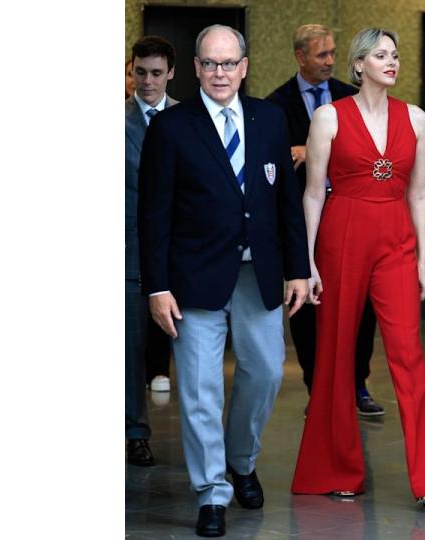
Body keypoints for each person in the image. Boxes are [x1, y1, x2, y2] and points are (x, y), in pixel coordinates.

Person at [139, 24, 309, 537]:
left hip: (260, 274)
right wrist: (157, 286)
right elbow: (154, 215)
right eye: (209, 64)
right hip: (193, 280)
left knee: (265, 373)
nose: (219, 73)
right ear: (195, 69)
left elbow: (286, 204)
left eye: (228, 63)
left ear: (244, 66)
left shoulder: (270, 120)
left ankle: (241, 459)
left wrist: (299, 267)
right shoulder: (172, 128)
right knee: (198, 390)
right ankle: (212, 491)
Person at [290, 28, 425, 506]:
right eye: (380, 55)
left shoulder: (416, 118)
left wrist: (423, 260)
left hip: (396, 241)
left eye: (394, 55)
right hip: (341, 237)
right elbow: (312, 194)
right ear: (358, 64)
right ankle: (338, 470)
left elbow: (419, 192)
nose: (391, 62)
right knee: (334, 354)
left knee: (408, 353)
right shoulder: (328, 118)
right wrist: (308, 263)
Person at [265, 24, 384, 418]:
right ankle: (319, 388)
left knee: (363, 304)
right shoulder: (275, 105)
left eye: (333, 53)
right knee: (308, 306)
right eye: (321, 55)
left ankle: (357, 384)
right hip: (304, 220)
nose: (331, 61)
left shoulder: (352, 98)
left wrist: (317, 150)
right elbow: (265, 165)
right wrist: (294, 150)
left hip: (351, 216)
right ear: (300, 57)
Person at [125, 35, 178, 467]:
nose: (147, 81)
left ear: (171, 73)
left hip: (183, 251)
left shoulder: (187, 119)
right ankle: (135, 432)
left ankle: (205, 442)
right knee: (129, 345)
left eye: (156, 73)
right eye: (140, 72)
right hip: (128, 249)